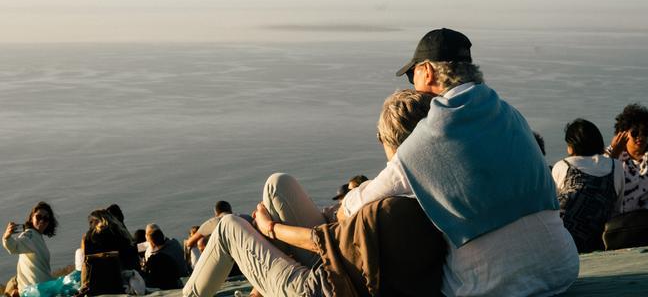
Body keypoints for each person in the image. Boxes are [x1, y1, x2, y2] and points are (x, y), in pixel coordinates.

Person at [340, 28, 579, 296]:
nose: (412, 84)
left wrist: (345, 201)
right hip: (562, 268)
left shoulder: (428, 137)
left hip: (493, 288)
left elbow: (358, 204)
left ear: (428, 71)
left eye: (412, 75)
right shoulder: (510, 114)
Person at [183, 89, 445, 297]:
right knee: (278, 185)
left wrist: (269, 227)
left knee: (229, 226)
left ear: (384, 138)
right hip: (351, 271)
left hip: (327, 288)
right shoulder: (440, 177)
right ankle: (262, 290)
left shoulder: (383, 192)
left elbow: (321, 238)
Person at [552, 118, 624, 252]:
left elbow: (551, 207)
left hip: (564, 245)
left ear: (571, 147)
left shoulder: (563, 166)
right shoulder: (616, 166)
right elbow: (616, 210)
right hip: (600, 244)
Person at [2, 202, 57, 295]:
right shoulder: (30, 234)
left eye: (46, 218)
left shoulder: (37, 236)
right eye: (39, 217)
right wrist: (7, 237)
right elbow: (14, 246)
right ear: (32, 218)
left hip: (41, 290)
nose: (42, 221)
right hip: (35, 292)